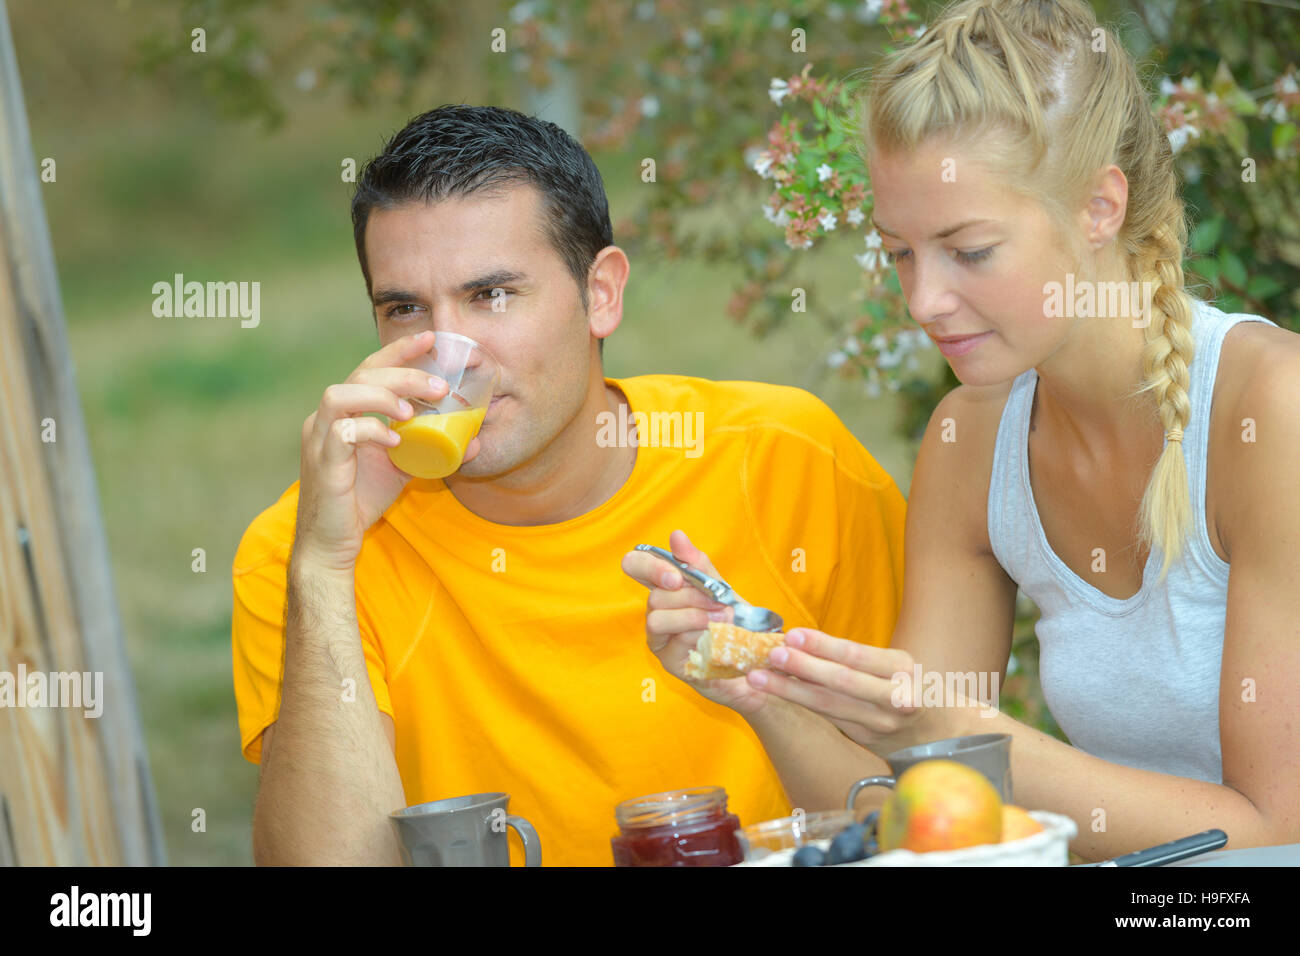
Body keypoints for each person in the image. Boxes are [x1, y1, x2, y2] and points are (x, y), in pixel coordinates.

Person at [627, 0, 1300, 859]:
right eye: (901, 252)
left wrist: (956, 733)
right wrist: (766, 690)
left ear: (1100, 206)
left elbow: (1276, 837)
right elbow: (901, 815)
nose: (923, 302)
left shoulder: (1272, 410)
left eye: (969, 250)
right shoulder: (973, 437)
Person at [231, 104, 908, 866]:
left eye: (491, 295)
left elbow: (925, 807)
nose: (449, 355)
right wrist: (324, 570)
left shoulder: (790, 460)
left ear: (602, 294)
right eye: (404, 309)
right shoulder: (308, 548)